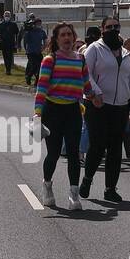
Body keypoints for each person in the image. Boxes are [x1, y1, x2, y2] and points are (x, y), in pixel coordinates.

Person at [78, 16, 130, 203]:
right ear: (102, 29)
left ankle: (110, 188)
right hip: (97, 105)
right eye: (109, 27)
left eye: (116, 26)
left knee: (115, 148)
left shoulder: (126, 53)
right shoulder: (94, 49)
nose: (113, 29)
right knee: (98, 144)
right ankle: (87, 179)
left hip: (120, 107)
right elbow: (84, 73)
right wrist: (95, 93)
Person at [33, 22, 91, 211]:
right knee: (54, 153)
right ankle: (47, 186)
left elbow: (86, 84)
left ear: (74, 38)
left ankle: (74, 194)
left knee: (74, 153)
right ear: (56, 40)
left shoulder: (80, 59)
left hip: (73, 111)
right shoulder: (50, 60)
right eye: (62, 35)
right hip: (53, 111)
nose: (67, 38)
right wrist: (37, 113)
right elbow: (41, 88)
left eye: (69, 34)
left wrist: (95, 98)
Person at [22, 14, 47, 86]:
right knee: (33, 66)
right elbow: (26, 40)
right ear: (34, 24)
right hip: (31, 52)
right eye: (37, 23)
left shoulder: (42, 32)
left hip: (38, 52)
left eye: (40, 23)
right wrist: (26, 31)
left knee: (40, 67)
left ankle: (37, 82)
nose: (39, 25)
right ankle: (28, 76)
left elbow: (45, 40)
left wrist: (43, 47)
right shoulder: (30, 32)